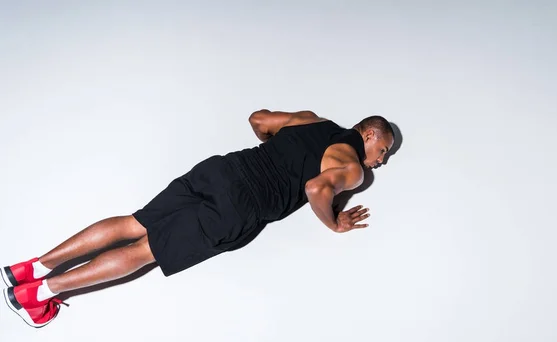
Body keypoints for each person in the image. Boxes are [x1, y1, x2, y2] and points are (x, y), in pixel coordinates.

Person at [2, 110, 396, 328]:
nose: (382, 159)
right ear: (369, 135)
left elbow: (258, 120)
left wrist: (277, 151)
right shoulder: (354, 167)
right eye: (384, 149)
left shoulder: (312, 120)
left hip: (223, 170)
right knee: (144, 251)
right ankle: (36, 295)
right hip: (242, 205)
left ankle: (29, 268)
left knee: (133, 222)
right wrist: (335, 222)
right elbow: (315, 189)